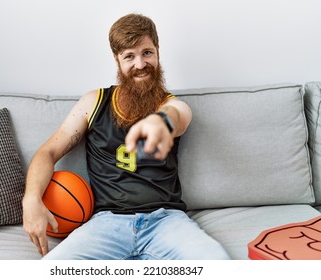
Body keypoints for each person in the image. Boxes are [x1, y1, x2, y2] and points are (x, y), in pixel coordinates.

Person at [22, 13, 229, 260]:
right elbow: (48, 152)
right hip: (106, 223)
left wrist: (161, 122)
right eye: (129, 56)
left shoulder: (171, 105)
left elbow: (178, 116)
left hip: (166, 221)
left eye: (147, 53)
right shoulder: (94, 102)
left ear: (158, 50)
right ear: (116, 59)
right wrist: (31, 199)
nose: (140, 64)